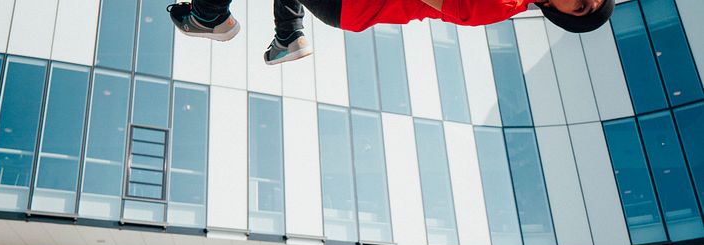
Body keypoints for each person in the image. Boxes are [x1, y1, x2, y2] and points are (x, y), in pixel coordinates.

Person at [168, 0, 614, 65]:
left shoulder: (499, 3)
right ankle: (289, 34)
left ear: (562, 11)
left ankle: (210, 17)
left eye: (582, 6)